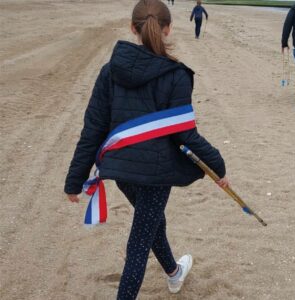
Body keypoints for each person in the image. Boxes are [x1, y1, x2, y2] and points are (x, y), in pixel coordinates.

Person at [64, 0, 228, 298]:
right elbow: (186, 134)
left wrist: (74, 179)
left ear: (132, 28)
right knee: (139, 243)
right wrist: (218, 166)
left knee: (151, 222)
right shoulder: (176, 75)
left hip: (121, 169)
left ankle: (174, 273)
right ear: (168, 29)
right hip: (157, 172)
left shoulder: (109, 71)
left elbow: (92, 129)